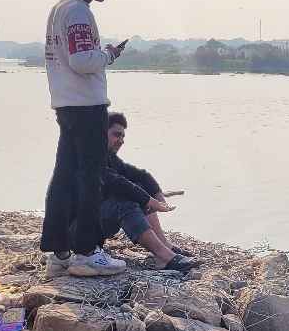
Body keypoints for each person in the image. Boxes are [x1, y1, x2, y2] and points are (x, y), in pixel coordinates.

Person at [40, 0, 128, 278]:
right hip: (86, 106)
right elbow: (81, 61)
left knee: (64, 176)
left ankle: (59, 250)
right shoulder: (78, 12)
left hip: (66, 104)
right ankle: (87, 251)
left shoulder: (60, 9)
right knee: (91, 178)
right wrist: (108, 55)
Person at [60, 111, 200, 274]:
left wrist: (158, 195)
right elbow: (116, 182)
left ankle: (165, 247)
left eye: (123, 137)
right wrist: (150, 201)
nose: (121, 141)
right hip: (73, 233)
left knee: (139, 188)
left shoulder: (107, 157)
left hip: (90, 226)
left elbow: (139, 175)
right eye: (116, 135)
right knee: (125, 203)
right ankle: (164, 256)